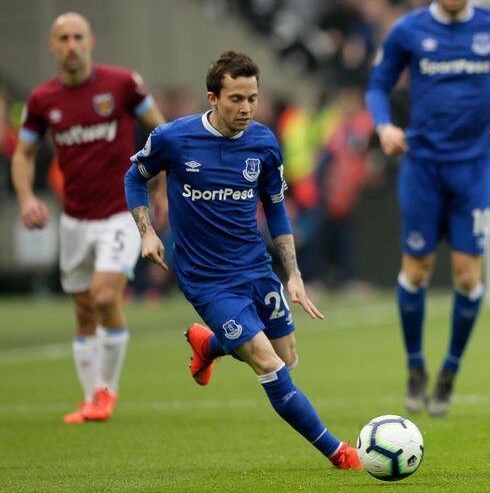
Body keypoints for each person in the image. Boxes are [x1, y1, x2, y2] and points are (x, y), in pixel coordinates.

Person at [123, 50, 362, 470]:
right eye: (236, 99)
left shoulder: (264, 143)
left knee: (287, 355)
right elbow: (134, 177)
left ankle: (209, 344)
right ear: (212, 98)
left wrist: (293, 274)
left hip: (255, 267)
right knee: (267, 362)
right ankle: (338, 452)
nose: (246, 108)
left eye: (252, 98)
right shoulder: (174, 139)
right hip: (207, 280)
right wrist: (146, 233)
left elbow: (275, 209)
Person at [364, 0, 490, 417]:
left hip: (476, 166)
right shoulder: (408, 31)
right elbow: (378, 84)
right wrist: (384, 127)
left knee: (466, 276)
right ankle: (415, 367)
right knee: (416, 271)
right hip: (422, 166)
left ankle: (450, 370)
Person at [12, 12, 166, 424]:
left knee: (102, 296)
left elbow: (163, 132)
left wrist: (164, 187)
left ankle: (106, 392)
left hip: (121, 212)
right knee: (82, 310)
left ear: (91, 41)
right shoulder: (42, 101)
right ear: (52, 46)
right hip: (75, 220)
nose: (71, 45)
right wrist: (27, 196)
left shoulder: (121, 84)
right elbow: (24, 153)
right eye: (63, 38)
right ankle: (89, 398)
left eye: (78, 37)